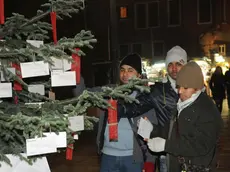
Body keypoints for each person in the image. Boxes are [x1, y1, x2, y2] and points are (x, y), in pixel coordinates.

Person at [118, 45, 187, 172]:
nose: (174, 68)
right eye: (170, 64)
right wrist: (112, 107)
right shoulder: (158, 91)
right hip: (166, 151)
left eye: (178, 64)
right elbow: (135, 107)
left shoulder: (195, 89)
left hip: (190, 151)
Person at [147, 61, 222, 172]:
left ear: (197, 88)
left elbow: (201, 145)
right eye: (178, 86)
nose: (180, 91)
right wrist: (152, 129)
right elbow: (172, 131)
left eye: (185, 88)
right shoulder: (182, 104)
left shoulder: (207, 109)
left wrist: (166, 145)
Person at [97, 53, 156, 172]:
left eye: (130, 70)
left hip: (133, 158)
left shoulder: (145, 98)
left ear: (139, 75)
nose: (125, 74)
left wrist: (150, 161)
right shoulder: (109, 92)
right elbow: (84, 93)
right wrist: (75, 75)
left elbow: (152, 132)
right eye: (122, 70)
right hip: (108, 156)